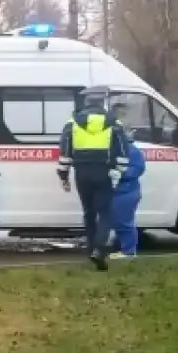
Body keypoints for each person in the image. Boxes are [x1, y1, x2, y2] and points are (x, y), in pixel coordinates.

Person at [56, 87, 130, 271]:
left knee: (88, 212)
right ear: (102, 102)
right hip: (104, 173)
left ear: (86, 102)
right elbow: (123, 151)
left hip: (82, 173)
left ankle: (91, 249)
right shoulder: (114, 122)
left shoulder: (72, 122)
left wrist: (64, 175)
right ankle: (99, 249)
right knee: (105, 213)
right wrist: (118, 173)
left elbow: (65, 150)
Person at [111, 135, 146, 258]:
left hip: (126, 192)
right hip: (121, 192)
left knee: (124, 222)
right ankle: (126, 250)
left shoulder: (130, 150)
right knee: (119, 222)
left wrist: (120, 173)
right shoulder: (116, 148)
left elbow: (138, 168)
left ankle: (129, 252)